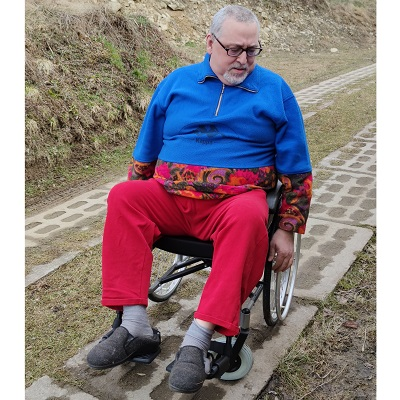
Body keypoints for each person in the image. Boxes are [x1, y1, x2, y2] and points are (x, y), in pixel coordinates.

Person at [87, 4, 312, 394]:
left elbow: (297, 168)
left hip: (233, 205)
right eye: (234, 49)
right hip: (171, 200)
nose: (243, 59)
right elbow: (146, 149)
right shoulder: (177, 83)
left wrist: (287, 228)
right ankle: (135, 326)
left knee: (249, 214)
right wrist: (138, 184)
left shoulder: (275, 90)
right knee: (124, 196)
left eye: (252, 50)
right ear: (209, 42)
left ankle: (197, 338)